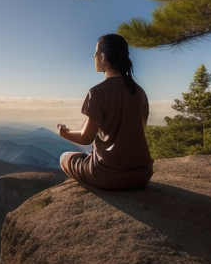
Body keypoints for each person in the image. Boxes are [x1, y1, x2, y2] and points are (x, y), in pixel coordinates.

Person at [57, 34, 153, 190]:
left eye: (96, 52)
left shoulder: (97, 92)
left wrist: (63, 133)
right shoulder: (140, 92)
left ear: (103, 57)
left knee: (64, 158)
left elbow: (86, 137)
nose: (94, 56)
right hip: (142, 175)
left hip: (109, 176)